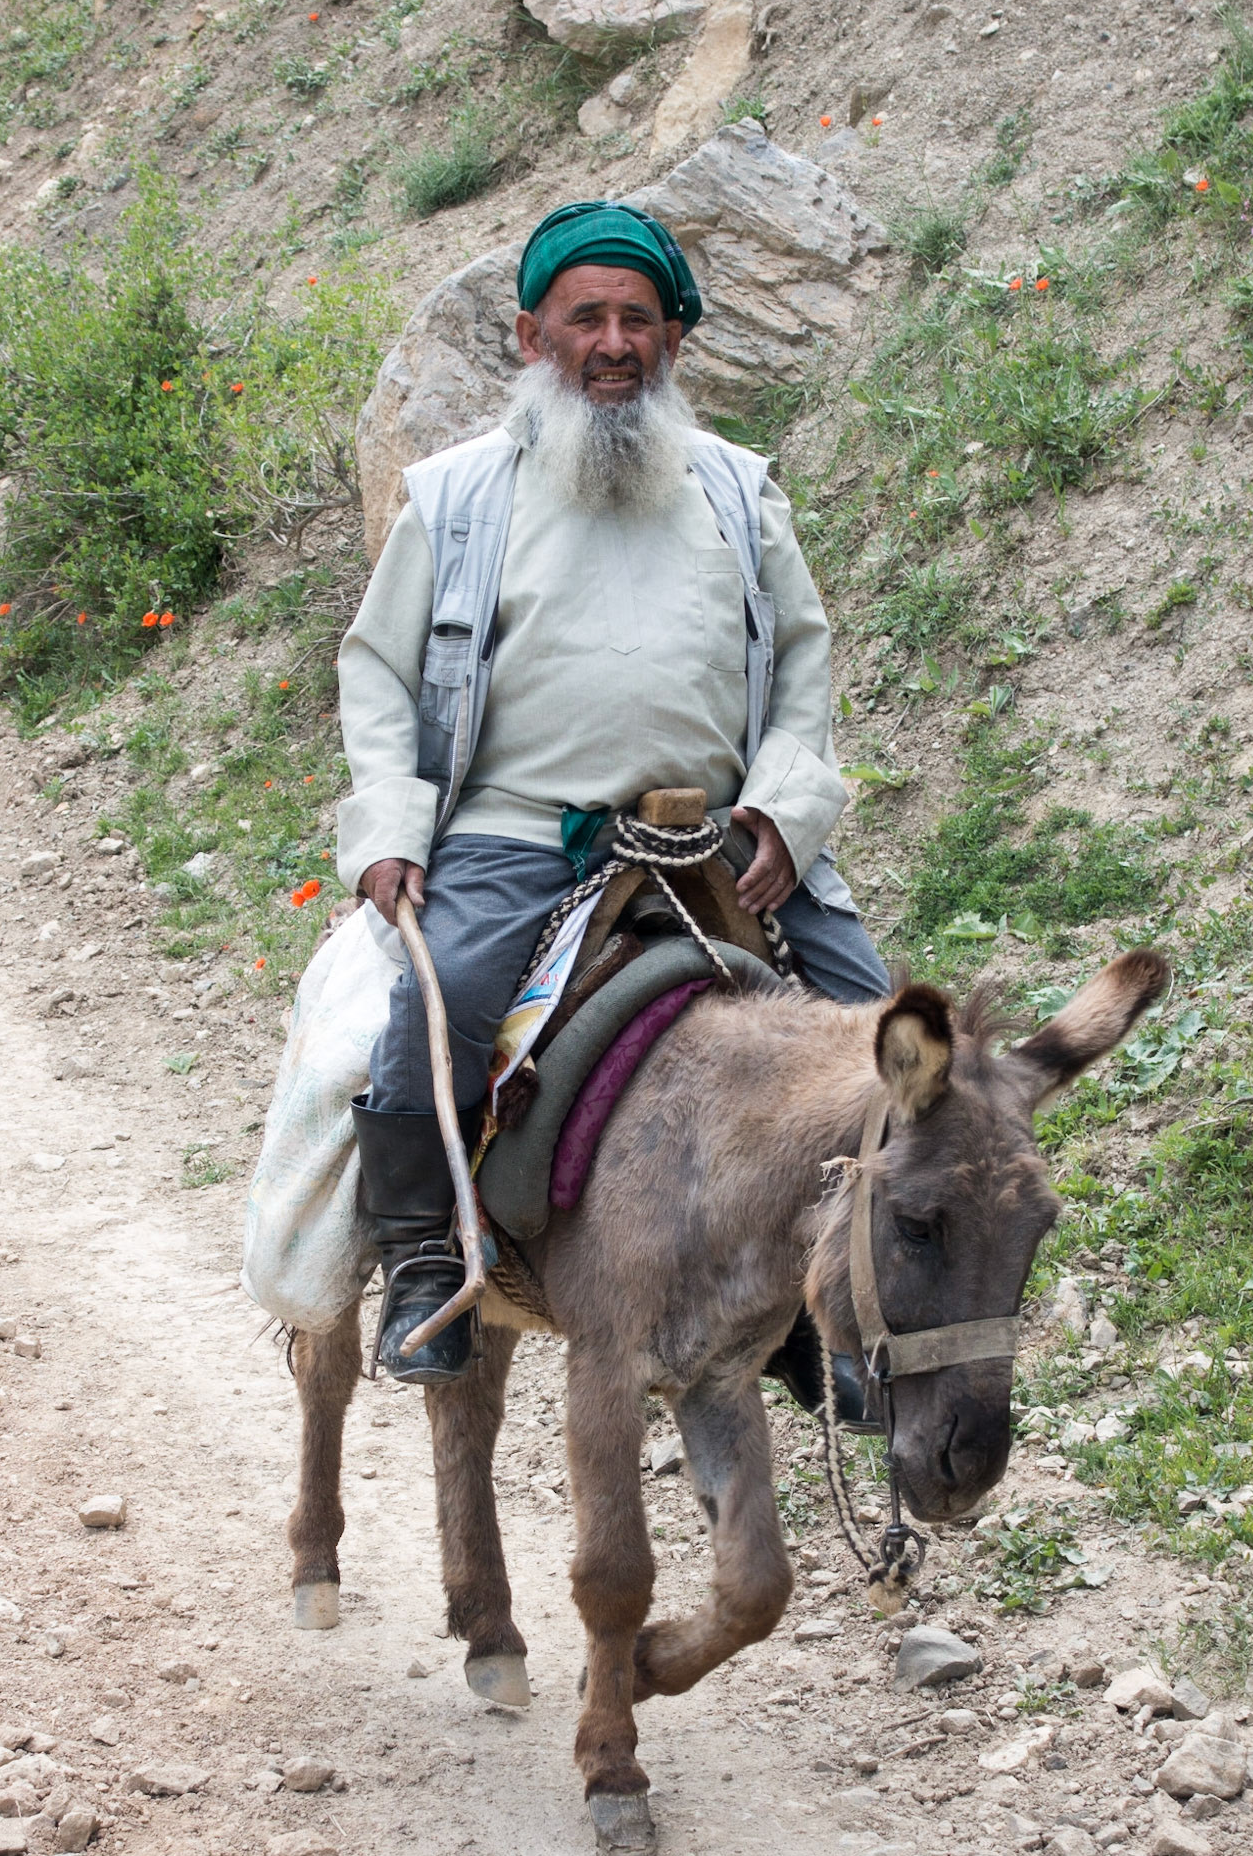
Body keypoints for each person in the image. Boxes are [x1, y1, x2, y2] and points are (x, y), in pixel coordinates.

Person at [336, 199, 889, 1415]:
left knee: (883, 1039)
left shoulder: (741, 490)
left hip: (719, 841)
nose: (613, 340)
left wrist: (787, 812)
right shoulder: (458, 495)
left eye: (639, 318)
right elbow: (376, 668)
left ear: (674, 342)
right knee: (441, 1010)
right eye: (584, 316)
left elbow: (801, 663)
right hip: (521, 828)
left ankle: (837, 1311)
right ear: (532, 337)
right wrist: (387, 823)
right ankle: (426, 1251)